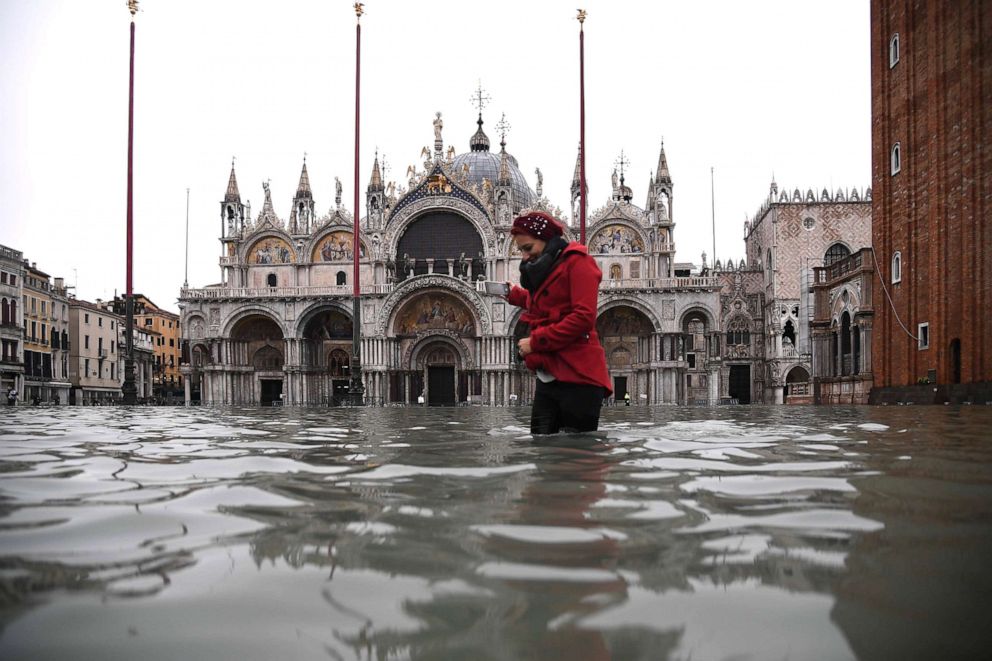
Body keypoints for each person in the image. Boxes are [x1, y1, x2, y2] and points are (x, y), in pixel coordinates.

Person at [506, 211, 612, 434]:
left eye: (528, 248)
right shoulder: (548, 267)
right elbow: (549, 302)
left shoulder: (579, 262)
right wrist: (513, 294)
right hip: (549, 373)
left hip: (579, 375)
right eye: (521, 251)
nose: (524, 257)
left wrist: (535, 343)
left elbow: (583, 318)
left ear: (546, 240)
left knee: (577, 453)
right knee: (541, 447)